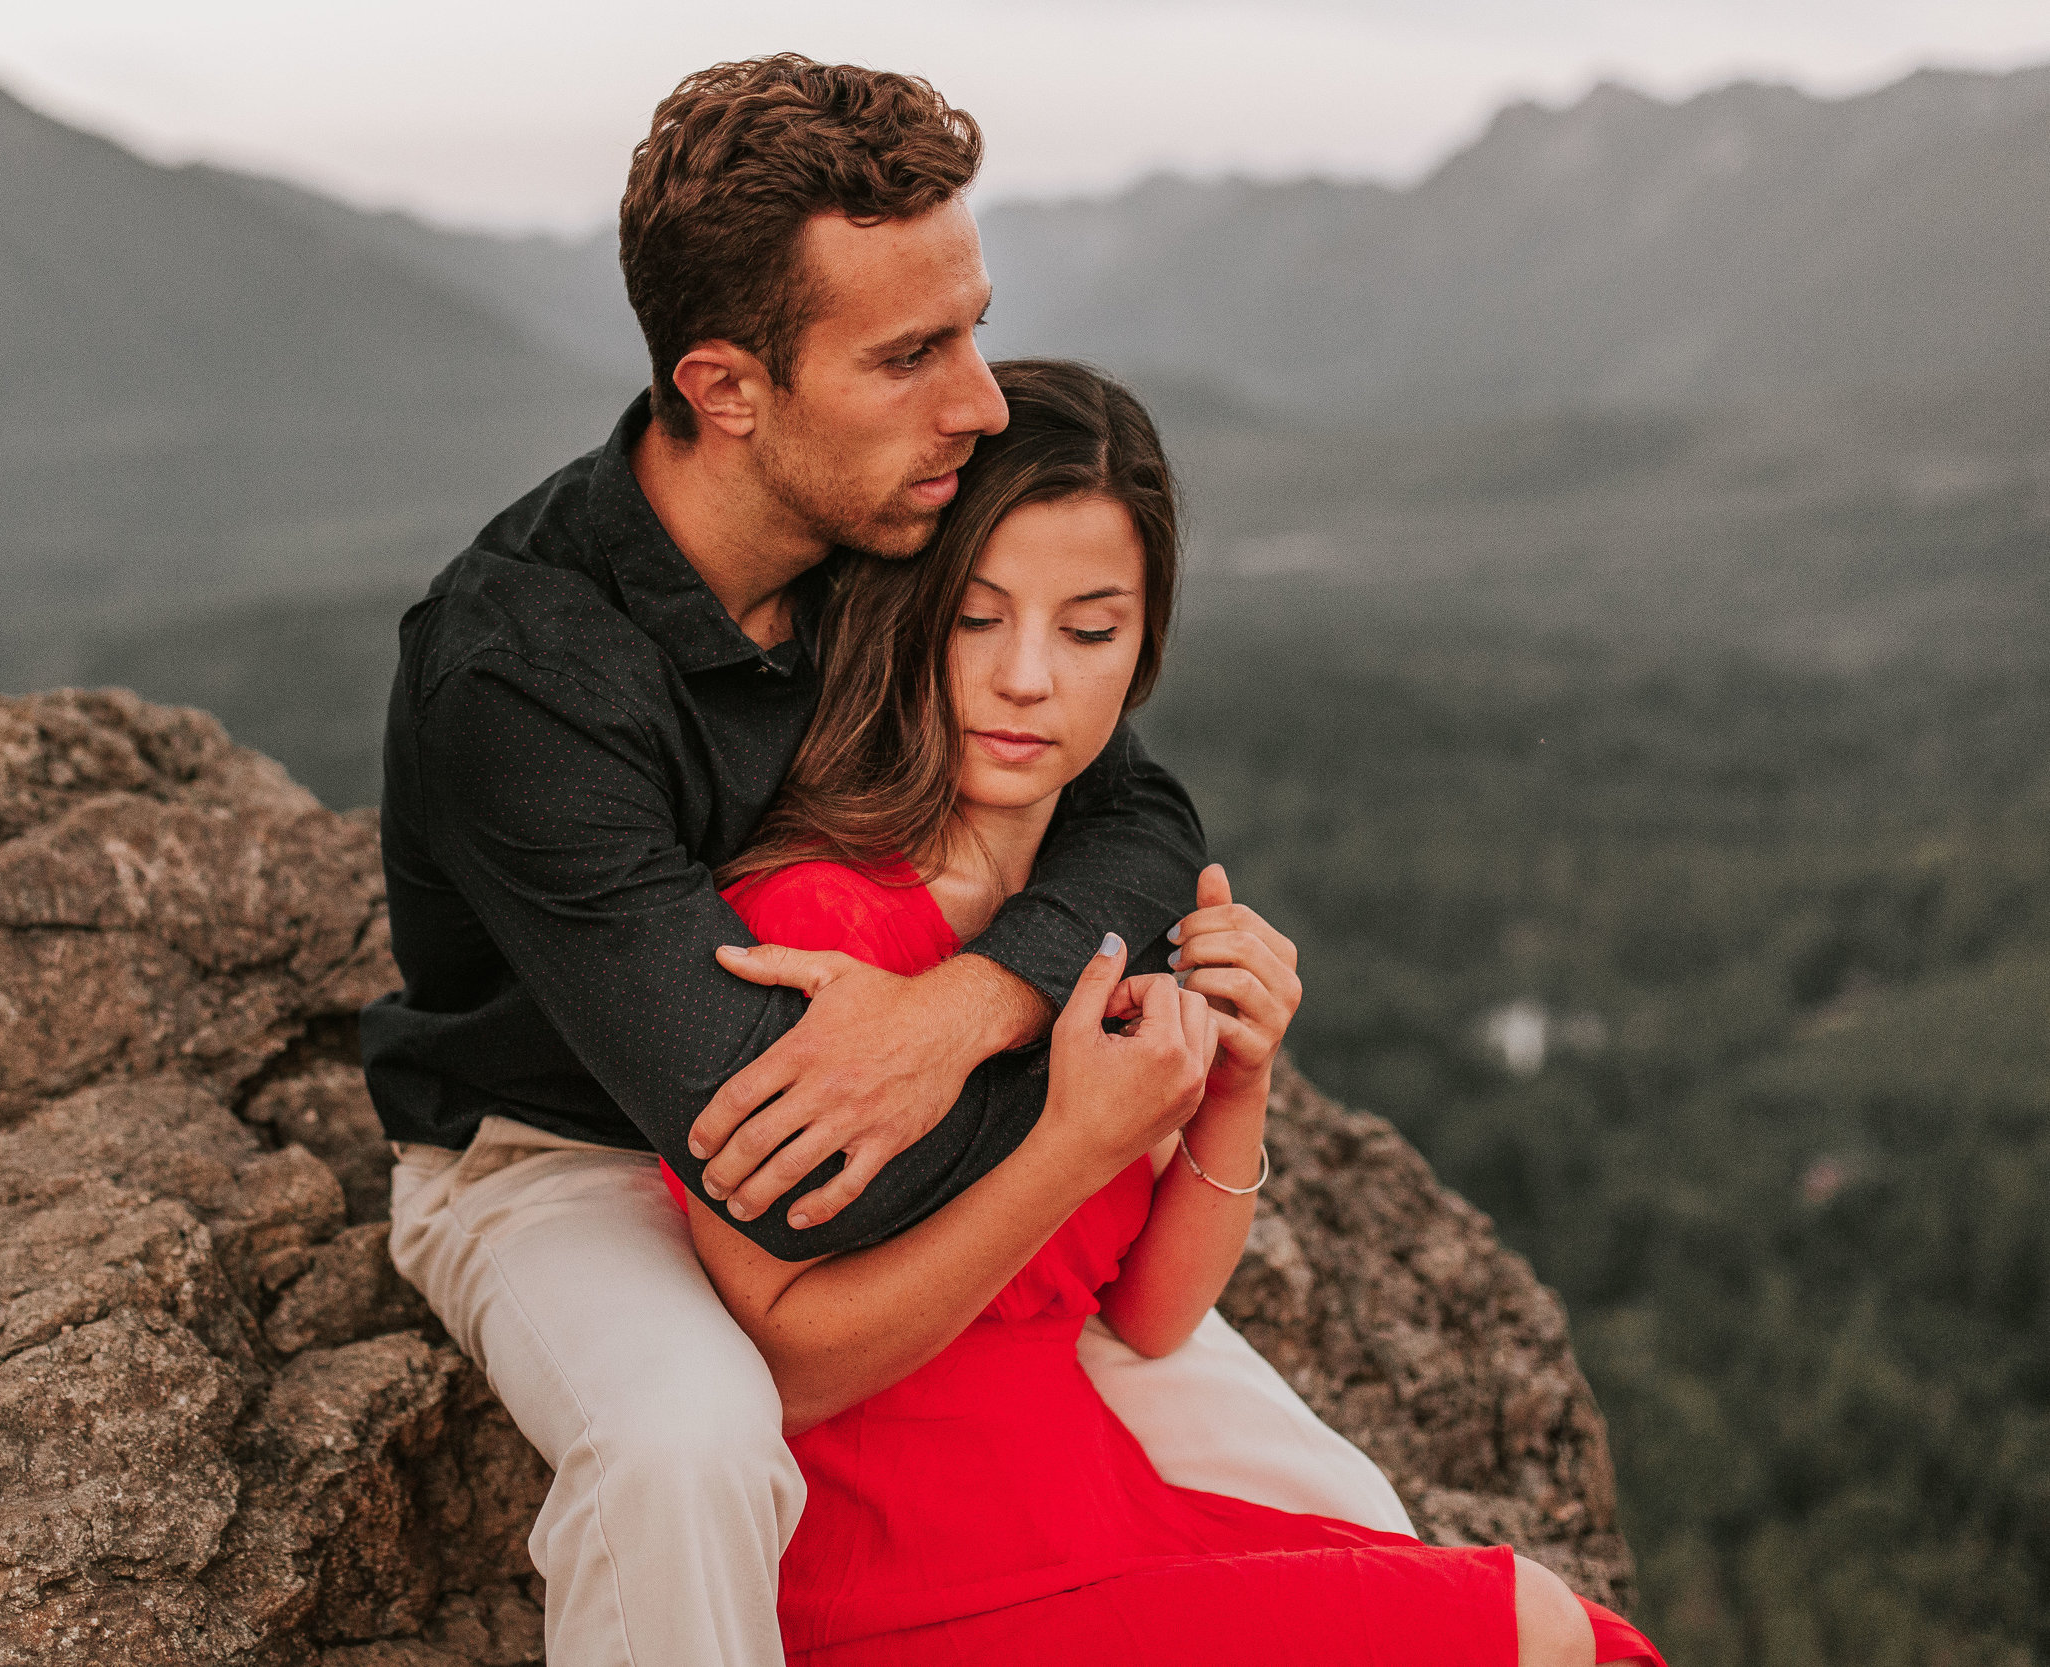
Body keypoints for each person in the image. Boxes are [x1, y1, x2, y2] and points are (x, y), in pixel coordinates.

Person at [366, 55, 1407, 1667]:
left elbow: (1139, 816)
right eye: (914, 353)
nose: (982, 403)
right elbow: (792, 1165)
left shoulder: (891, 535)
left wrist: (973, 1008)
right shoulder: (520, 675)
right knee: (684, 1447)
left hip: (938, 1104)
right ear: (726, 388)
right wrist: (1093, 1107)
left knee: (1348, 1522)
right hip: (563, 1153)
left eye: (975, 325)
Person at [671, 358, 1664, 1667]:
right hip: (912, 1591)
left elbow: (1145, 1318)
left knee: (1575, 1629)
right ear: (898, 609)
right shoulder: (807, 924)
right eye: (977, 619)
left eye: (1090, 631)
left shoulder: (1087, 914)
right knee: (1529, 1633)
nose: (1031, 677)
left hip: (1096, 1526)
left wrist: (1236, 1083)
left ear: (1141, 653)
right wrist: (1073, 1144)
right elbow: (792, 1365)